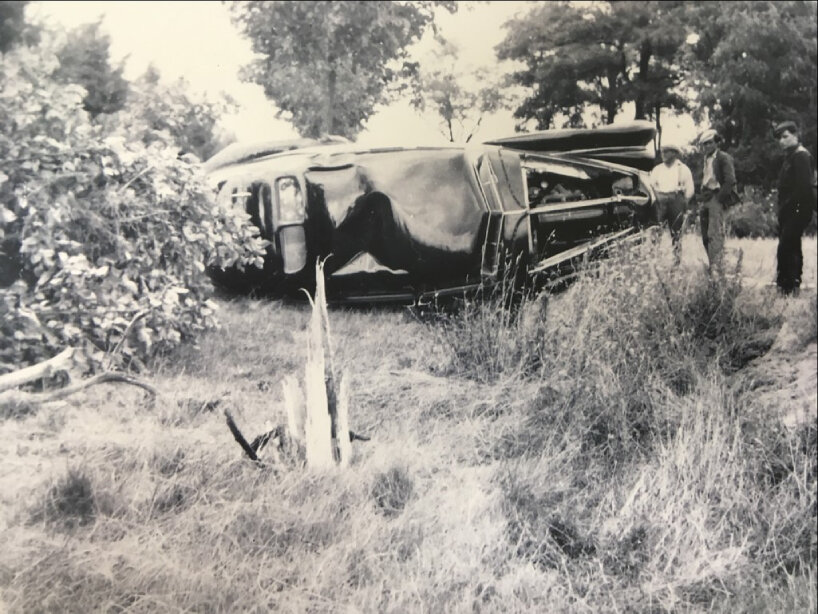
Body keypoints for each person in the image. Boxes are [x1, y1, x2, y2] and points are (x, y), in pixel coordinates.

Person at [773, 120, 816, 296]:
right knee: (792, 246)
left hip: (798, 209)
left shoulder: (801, 156)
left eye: (785, 137)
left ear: (795, 136)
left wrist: (789, 207)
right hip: (789, 209)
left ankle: (787, 285)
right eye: (779, 138)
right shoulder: (791, 156)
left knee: (785, 247)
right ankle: (791, 285)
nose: (781, 141)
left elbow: (803, 188)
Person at [696, 129, 740, 274]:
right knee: (704, 234)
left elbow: (730, 180)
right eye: (704, 144)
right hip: (707, 196)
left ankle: (717, 268)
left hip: (717, 196)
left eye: (709, 143)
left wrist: (720, 199)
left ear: (716, 142)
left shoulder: (723, 157)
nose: (706, 147)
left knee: (714, 233)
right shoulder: (706, 159)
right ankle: (712, 265)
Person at [649, 143, 695, 264]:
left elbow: (690, 189)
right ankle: (654, 260)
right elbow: (651, 186)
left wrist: (683, 202)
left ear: (674, 153)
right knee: (655, 231)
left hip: (676, 199)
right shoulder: (657, 169)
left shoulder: (683, 169)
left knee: (676, 233)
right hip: (660, 200)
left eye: (667, 152)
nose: (663, 155)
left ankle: (676, 262)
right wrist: (656, 200)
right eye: (662, 152)